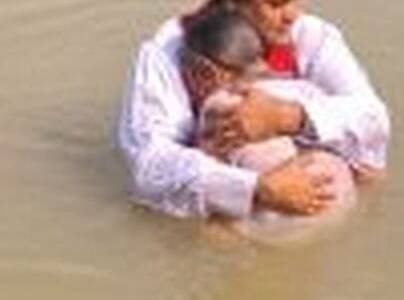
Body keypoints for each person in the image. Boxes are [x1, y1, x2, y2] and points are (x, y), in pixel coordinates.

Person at [116, 0, 390, 219]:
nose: (292, 14)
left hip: (319, 192)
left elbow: (374, 118)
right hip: (248, 204)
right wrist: (255, 189)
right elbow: (147, 166)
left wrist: (286, 117)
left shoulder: (312, 37)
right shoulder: (167, 52)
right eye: (275, 4)